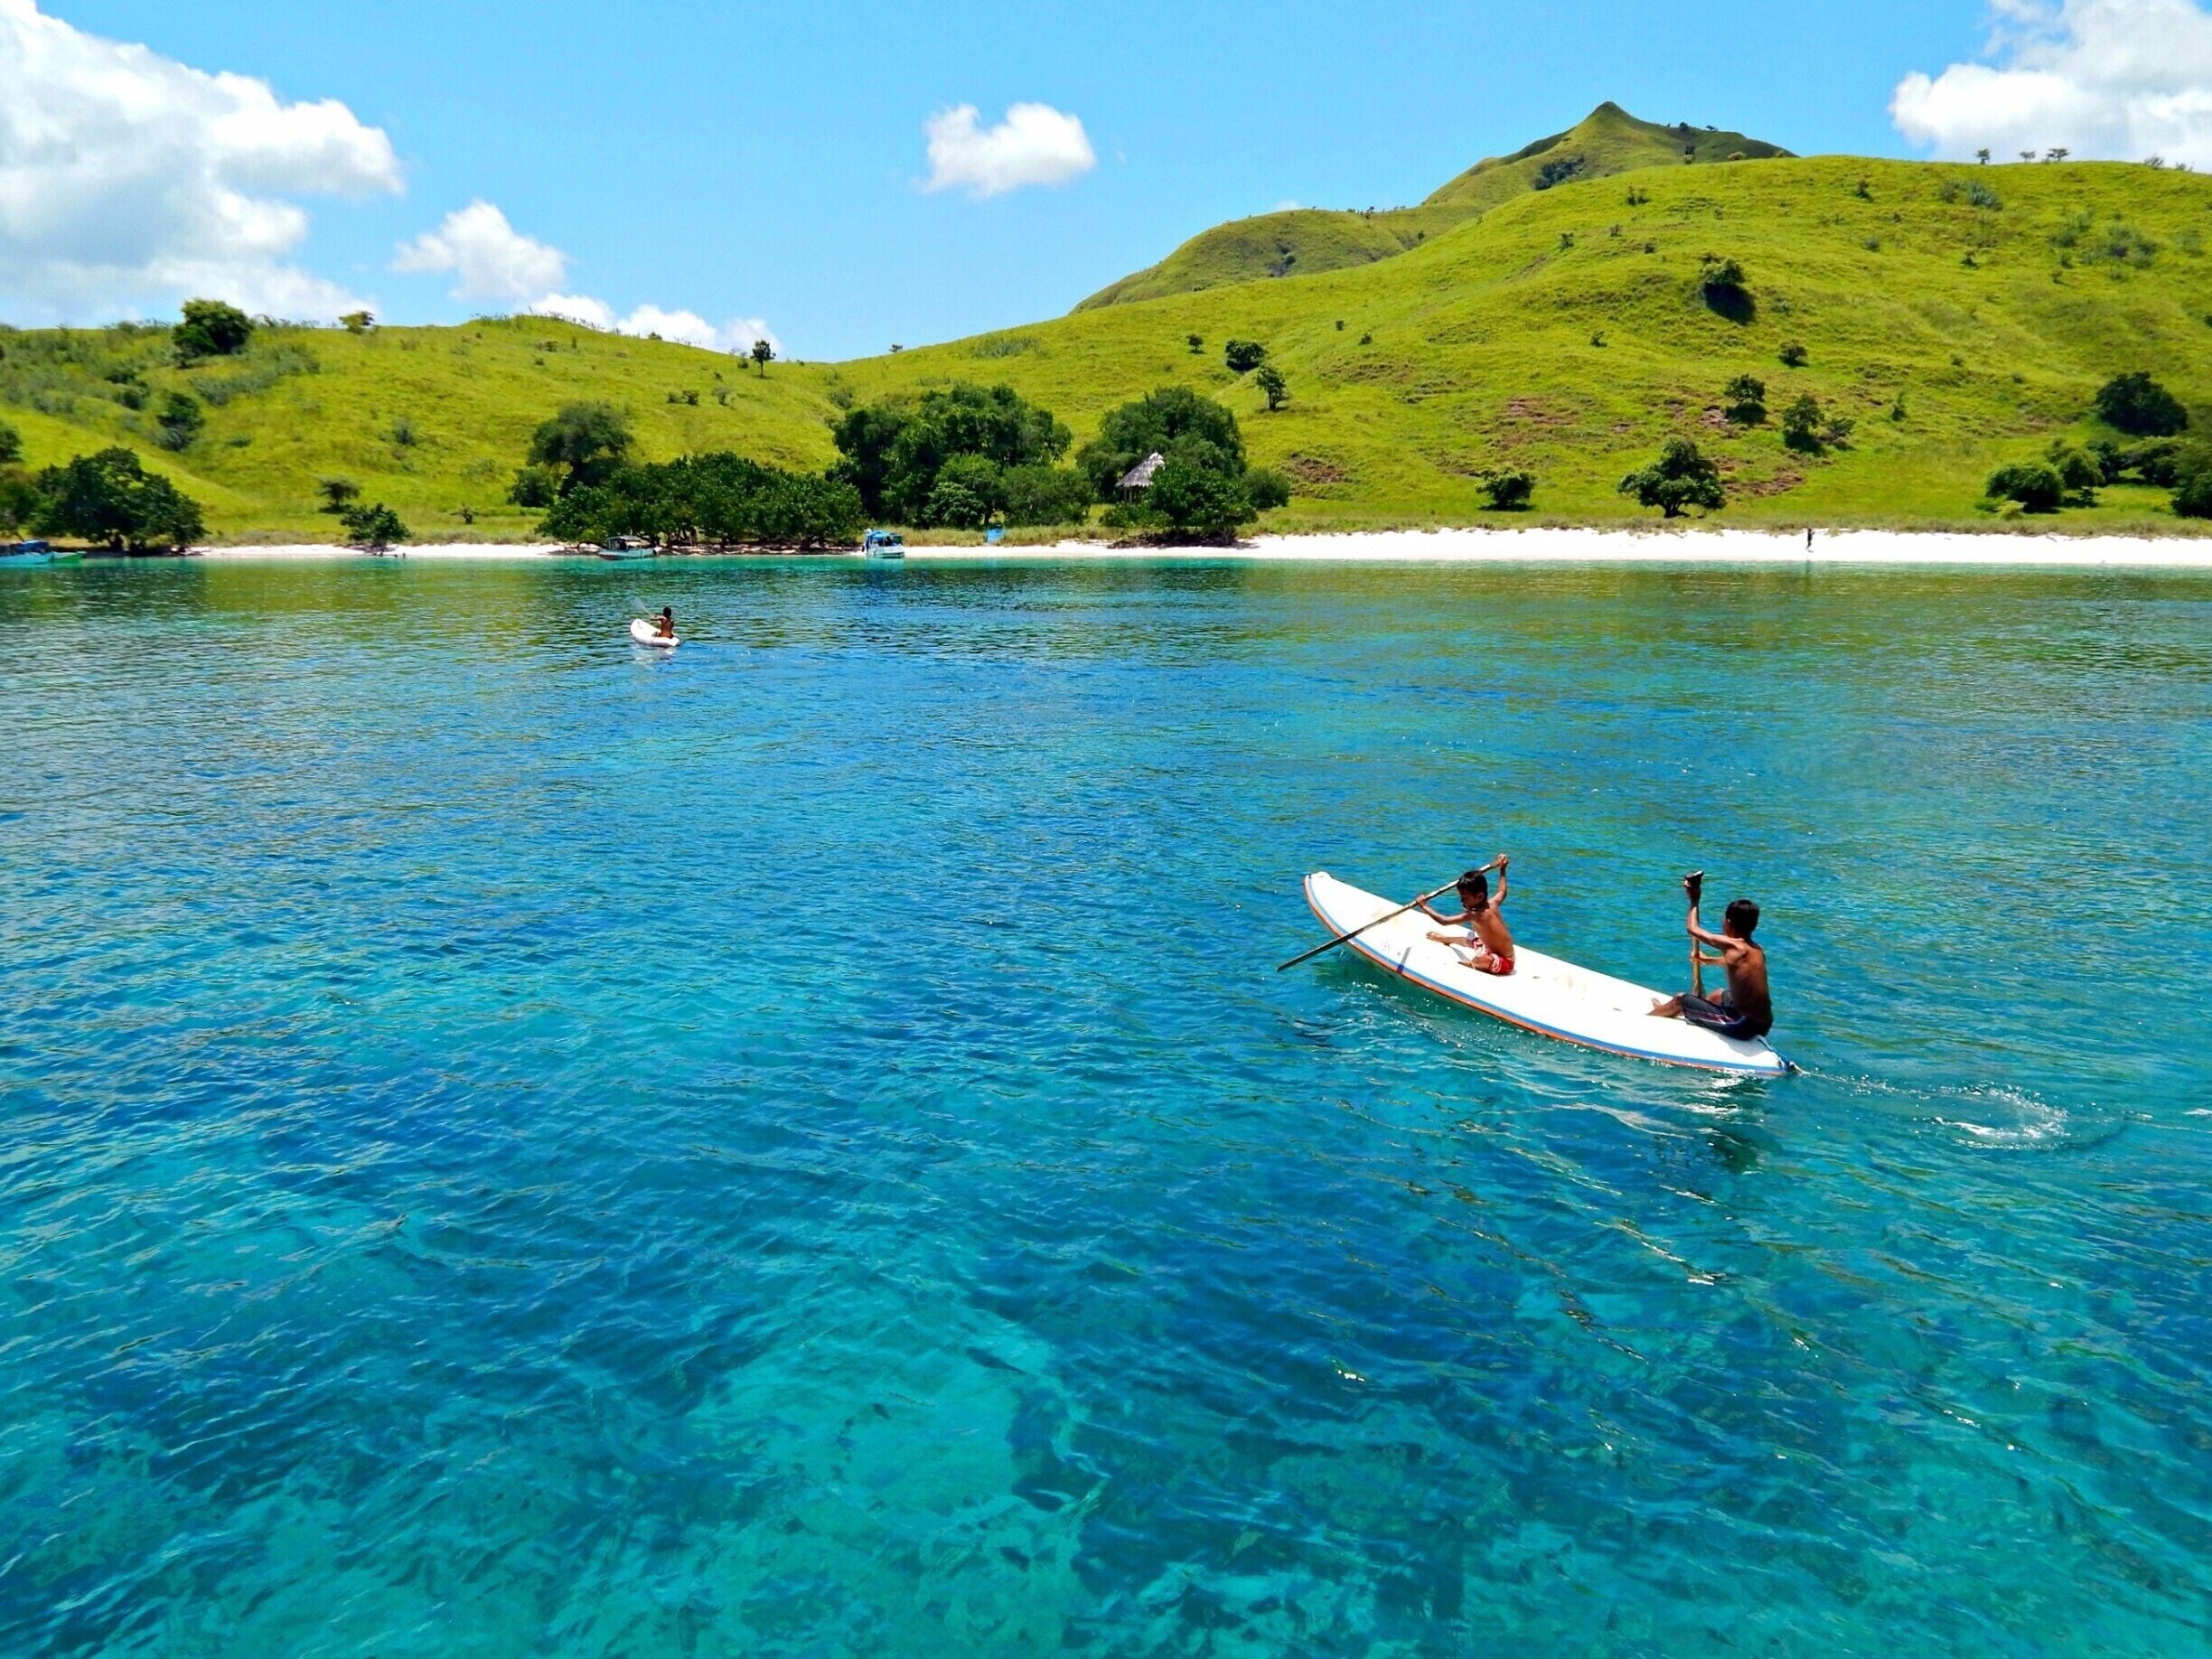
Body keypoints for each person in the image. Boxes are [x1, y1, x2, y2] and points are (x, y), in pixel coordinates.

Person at [1651, 877, 1773, 1040]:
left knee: (1681, 999)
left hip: (1743, 1025)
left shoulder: (1733, 945)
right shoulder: (1756, 949)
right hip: (1763, 1024)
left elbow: (1692, 929)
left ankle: (1651, 1017)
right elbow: (1740, 966)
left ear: (1728, 923)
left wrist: (1694, 900)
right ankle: (1688, 1012)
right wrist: (1709, 960)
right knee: (1718, 995)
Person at [1420, 857, 1515, 976]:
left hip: (1505, 962)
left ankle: (1474, 964)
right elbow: (1502, 891)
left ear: (1479, 896)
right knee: (1470, 941)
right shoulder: (1493, 903)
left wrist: (1424, 906)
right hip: (1488, 949)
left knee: (1481, 959)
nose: (1462, 900)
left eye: (1465, 897)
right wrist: (1502, 870)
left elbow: (1444, 921)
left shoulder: (1475, 915)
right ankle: (1447, 939)